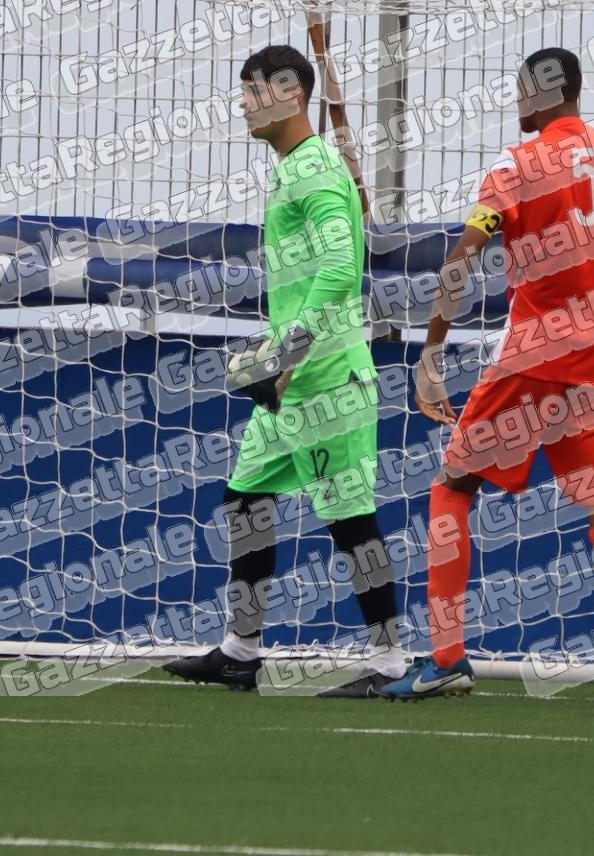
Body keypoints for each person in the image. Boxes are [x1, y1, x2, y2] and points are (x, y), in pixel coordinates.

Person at [384, 47, 594, 711]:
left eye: (519, 91)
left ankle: (447, 658)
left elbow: (463, 258)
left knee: (452, 488)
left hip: (531, 360)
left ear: (535, 94)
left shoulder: (515, 165)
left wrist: (431, 355)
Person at [164, 43, 409, 697]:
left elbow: (340, 269)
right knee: (246, 499)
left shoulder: (315, 169)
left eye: (253, 90)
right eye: (243, 91)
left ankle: (391, 663)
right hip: (289, 385)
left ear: (292, 94)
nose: (244, 103)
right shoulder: (294, 167)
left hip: (326, 382)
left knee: (351, 521)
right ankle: (240, 651)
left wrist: (287, 355)